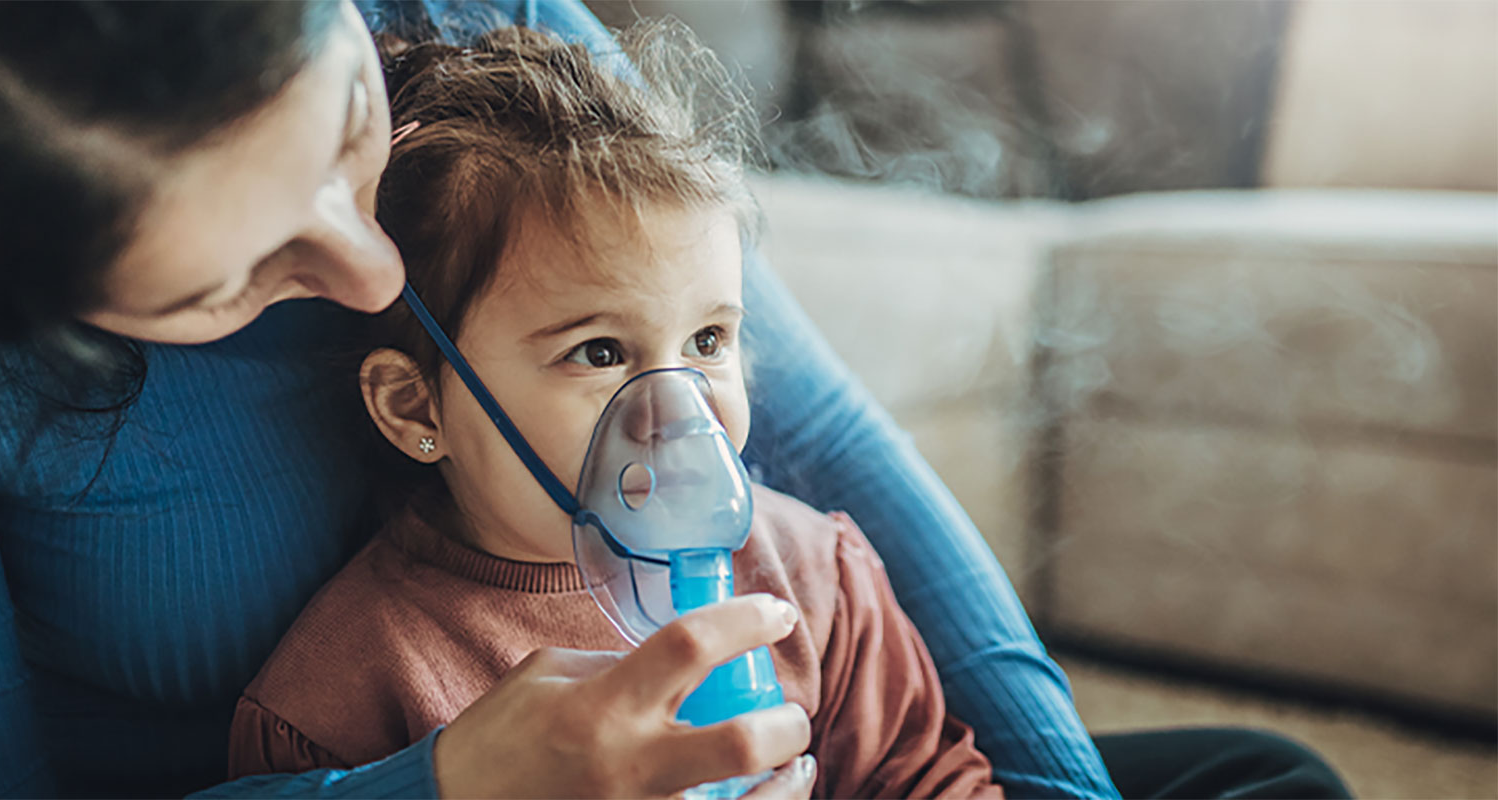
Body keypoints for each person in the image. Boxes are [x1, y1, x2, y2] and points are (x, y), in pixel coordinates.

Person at [0, 1, 1348, 798]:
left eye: (351, 130)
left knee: (1255, 777)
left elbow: (820, 448)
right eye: (229, 275)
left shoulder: (478, 23)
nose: (364, 268)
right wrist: (444, 792)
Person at [227, 25, 999, 799]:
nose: (673, 412)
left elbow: (932, 782)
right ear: (412, 404)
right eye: (599, 353)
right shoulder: (351, 687)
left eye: (707, 339)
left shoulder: (810, 581)